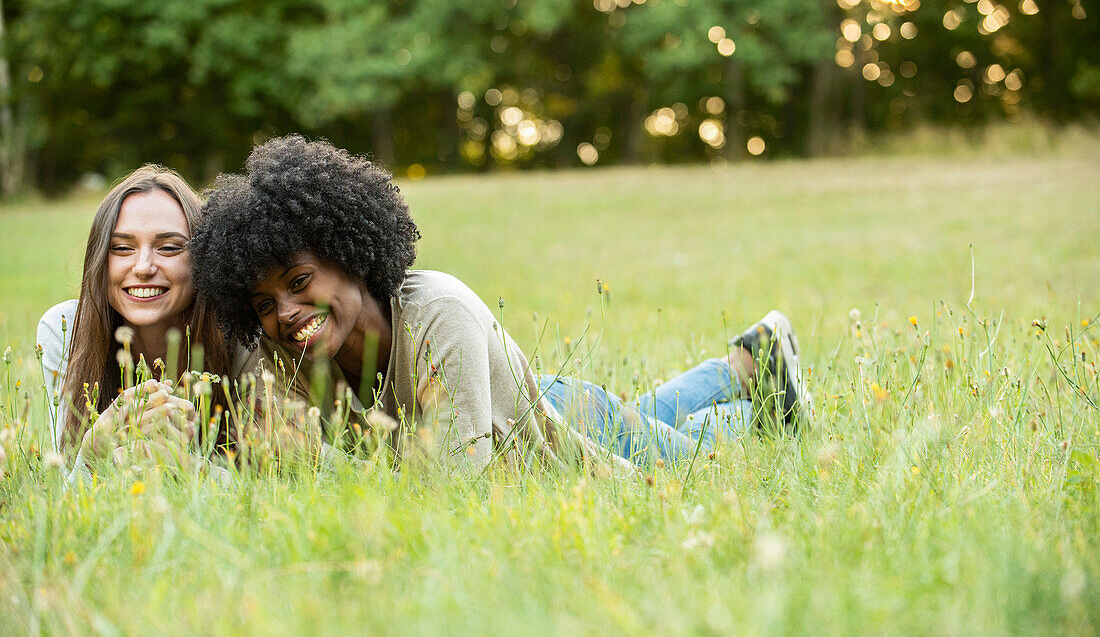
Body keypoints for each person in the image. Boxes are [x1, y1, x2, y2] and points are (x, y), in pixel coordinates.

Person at [189, 136, 812, 475]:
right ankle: (744, 366)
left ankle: (749, 384)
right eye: (264, 303)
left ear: (348, 253)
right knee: (648, 417)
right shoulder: (278, 350)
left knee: (703, 461)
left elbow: (455, 487)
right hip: (519, 400)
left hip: (547, 422)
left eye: (300, 280)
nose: (287, 311)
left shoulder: (439, 312)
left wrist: (317, 465)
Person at [37, 165, 234, 483]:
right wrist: (94, 453)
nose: (143, 267)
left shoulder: (239, 331)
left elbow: (280, 485)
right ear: (100, 259)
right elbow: (61, 494)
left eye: (169, 247)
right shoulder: (64, 329)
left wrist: (188, 466)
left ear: (204, 258)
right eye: (122, 248)